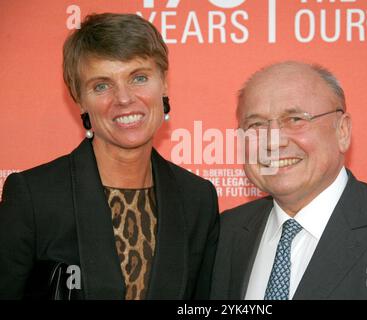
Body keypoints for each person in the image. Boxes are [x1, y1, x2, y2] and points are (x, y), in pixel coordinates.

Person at [0, 13, 219, 300]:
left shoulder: (197, 199)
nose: (124, 98)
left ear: (163, 83)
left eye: (139, 77)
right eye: (102, 85)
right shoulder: (34, 197)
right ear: (79, 98)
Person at [210, 61, 367, 300]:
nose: (273, 142)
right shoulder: (224, 233)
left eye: (295, 120)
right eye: (256, 125)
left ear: (342, 131)